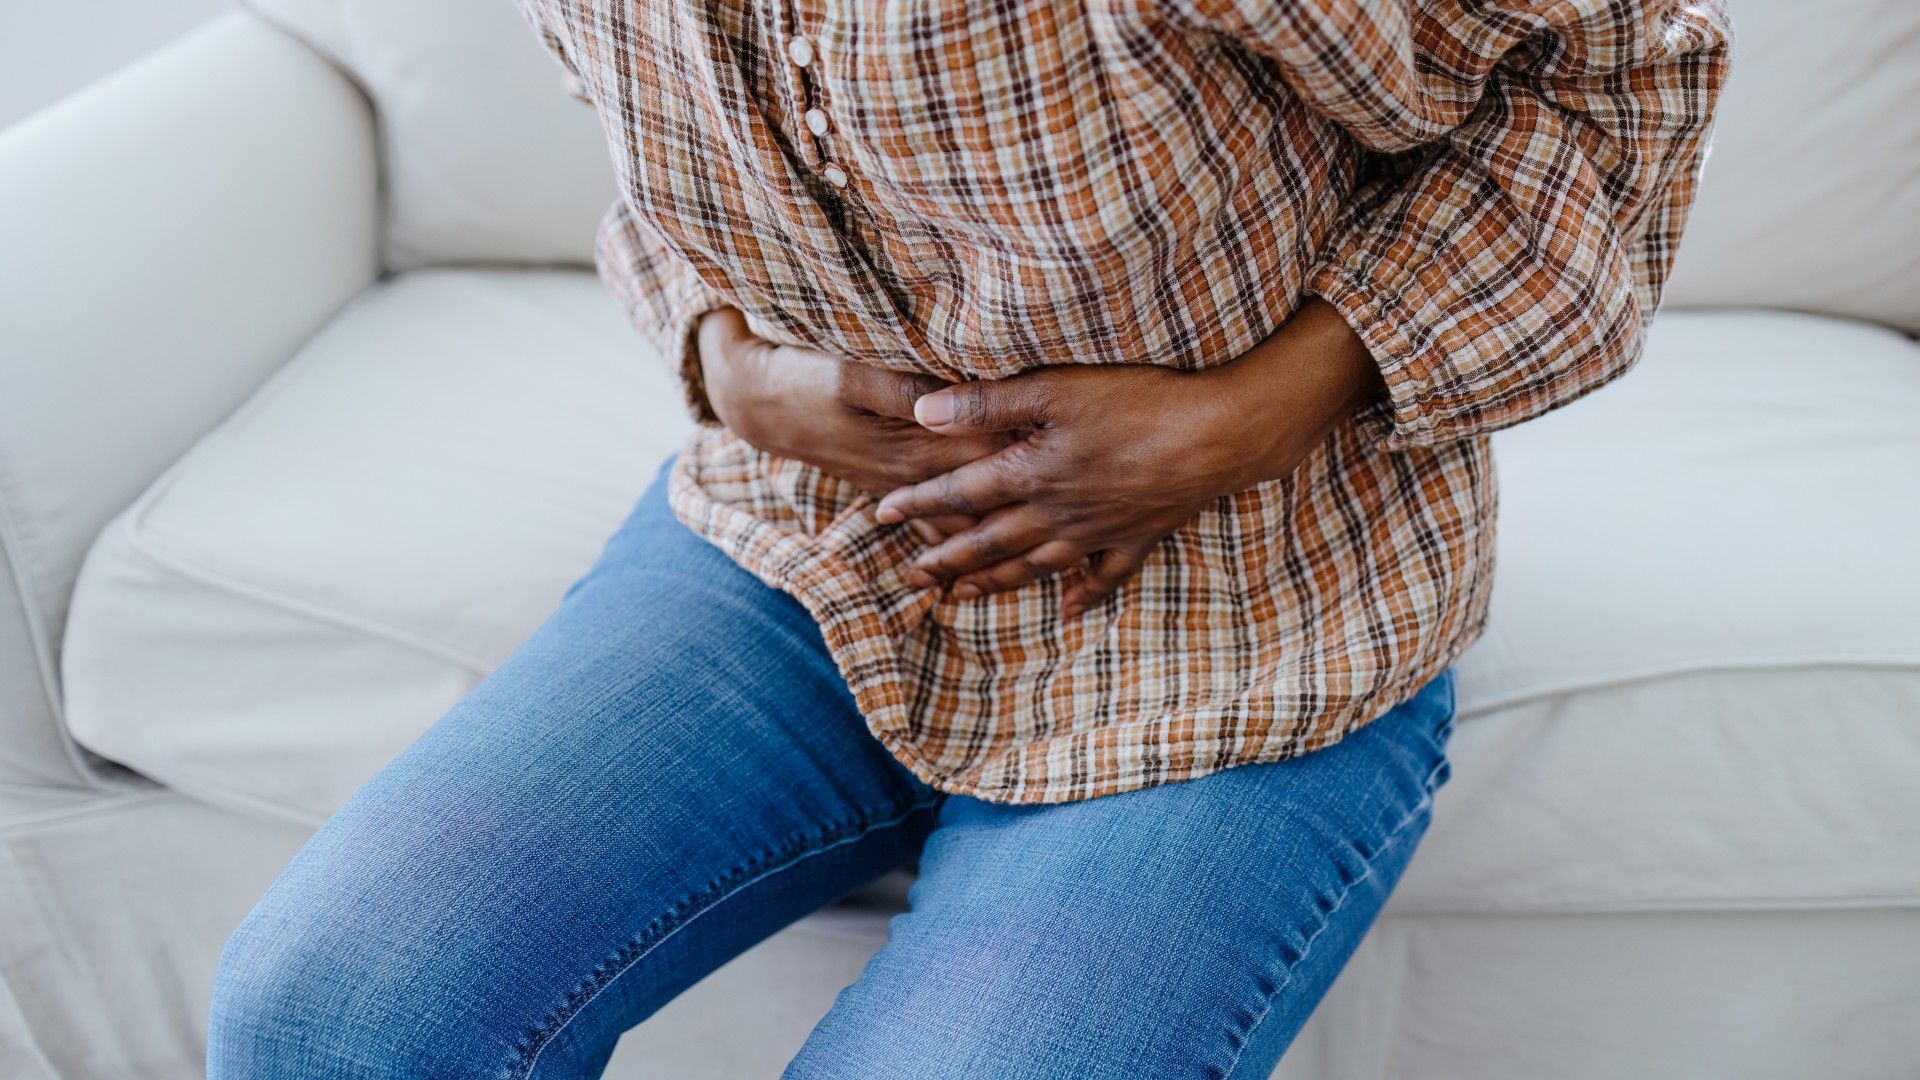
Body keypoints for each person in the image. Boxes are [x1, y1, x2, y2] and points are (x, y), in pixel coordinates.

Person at [207, 0, 1729, 1076]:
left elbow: (1616, 77)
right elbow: (650, 159)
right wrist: (722, 359)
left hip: (1252, 618)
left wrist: (1265, 407)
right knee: (330, 1020)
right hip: (800, 555)